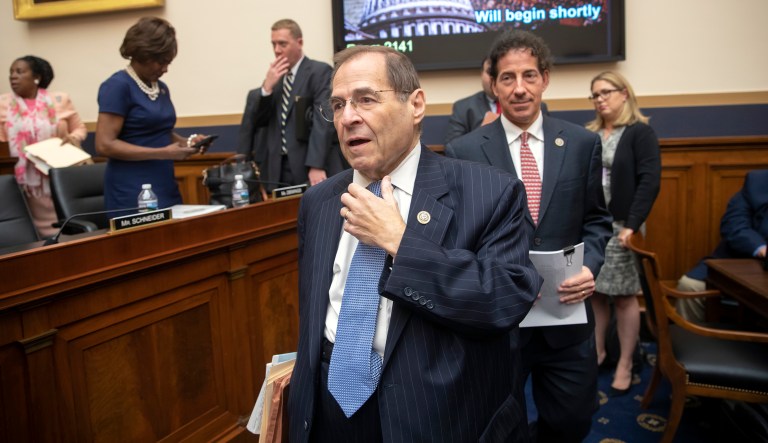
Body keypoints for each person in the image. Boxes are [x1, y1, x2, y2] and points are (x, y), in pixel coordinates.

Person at [287, 45, 542, 443]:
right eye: (337, 106)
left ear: (416, 104)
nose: (348, 117)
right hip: (330, 408)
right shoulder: (319, 202)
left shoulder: (490, 191)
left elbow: (503, 300)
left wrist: (401, 243)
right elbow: (315, 313)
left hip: (437, 414)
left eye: (366, 99)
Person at [445, 30, 612, 443]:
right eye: (507, 78)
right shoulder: (463, 152)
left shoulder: (581, 144)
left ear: (545, 79)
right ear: (493, 83)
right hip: (501, 324)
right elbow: (458, 238)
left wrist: (590, 265)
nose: (519, 89)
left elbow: (597, 221)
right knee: (498, 426)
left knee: (573, 421)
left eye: (529, 76)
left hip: (566, 320)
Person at [585, 71, 661, 396]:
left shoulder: (639, 133)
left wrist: (632, 224)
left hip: (621, 227)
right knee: (596, 293)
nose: (600, 99)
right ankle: (598, 354)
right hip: (592, 226)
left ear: (624, 94)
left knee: (624, 297)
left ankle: (625, 363)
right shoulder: (589, 134)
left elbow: (649, 180)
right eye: (595, 95)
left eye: (606, 92)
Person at [95, 17, 212, 212]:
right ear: (143, 54)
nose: (165, 69)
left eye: (168, 63)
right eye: (161, 62)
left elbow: (160, 132)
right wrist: (163, 153)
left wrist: (188, 143)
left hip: (164, 183)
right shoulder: (117, 86)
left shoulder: (161, 88)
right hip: (132, 190)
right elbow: (104, 145)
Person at [250, 19, 343, 192]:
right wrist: (266, 89)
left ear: (299, 43)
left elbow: (323, 122)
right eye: (274, 44)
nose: (277, 50)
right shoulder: (275, 79)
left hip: (308, 164)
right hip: (278, 168)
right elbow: (260, 122)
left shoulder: (319, 71)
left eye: (282, 44)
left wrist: (316, 165)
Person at [0, 55, 87, 237]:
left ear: (36, 77)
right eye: (11, 73)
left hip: (57, 173)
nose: (13, 77)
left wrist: (72, 138)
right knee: (28, 231)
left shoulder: (59, 99)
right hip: (22, 179)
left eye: (20, 72)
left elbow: (79, 128)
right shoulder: (3, 104)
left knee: (66, 228)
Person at [677, 169, 768, 322]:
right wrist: (761, 248)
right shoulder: (758, 181)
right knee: (689, 285)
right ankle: (697, 343)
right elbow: (733, 224)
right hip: (739, 262)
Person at [445, 56, 549, 144]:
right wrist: (482, 132)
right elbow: (452, 147)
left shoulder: (535, 105)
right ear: (481, 74)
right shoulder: (463, 107)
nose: (492, 78)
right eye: (490, 72)